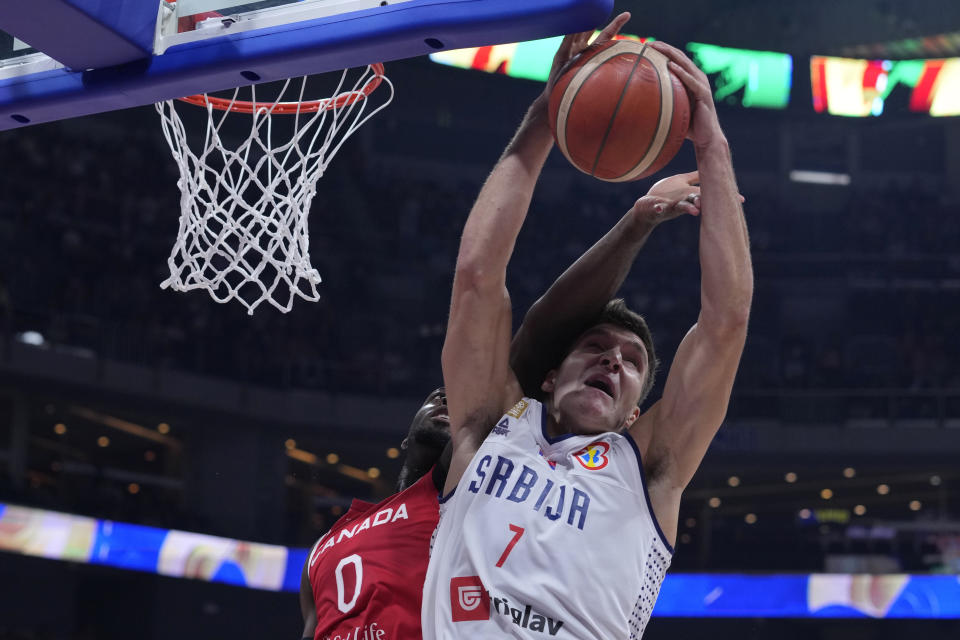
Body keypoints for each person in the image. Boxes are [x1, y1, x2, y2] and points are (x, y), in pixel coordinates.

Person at [422, 11, 753, 639]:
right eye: (597, 348)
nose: (612, 361)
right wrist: (547, 115)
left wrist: (713, 147)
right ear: (548, 378)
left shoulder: (651, 466)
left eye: (631, 363)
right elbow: (477, 276)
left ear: (635, 413)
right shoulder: (487, 424)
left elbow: (725, 323)